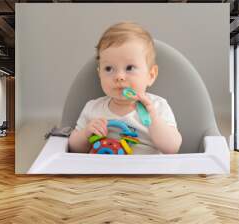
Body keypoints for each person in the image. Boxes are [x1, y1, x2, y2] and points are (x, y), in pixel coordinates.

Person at [68, 21, 182, 154]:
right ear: (99, 74)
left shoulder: (157, 106)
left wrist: (153, 119)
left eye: (129, 68)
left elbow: (172, 148)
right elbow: (74, 149)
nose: (119, 77)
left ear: (151, 75)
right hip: (103, 172)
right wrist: (86, 133)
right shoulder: (93, 109)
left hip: (147, 173)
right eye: (109, 68)